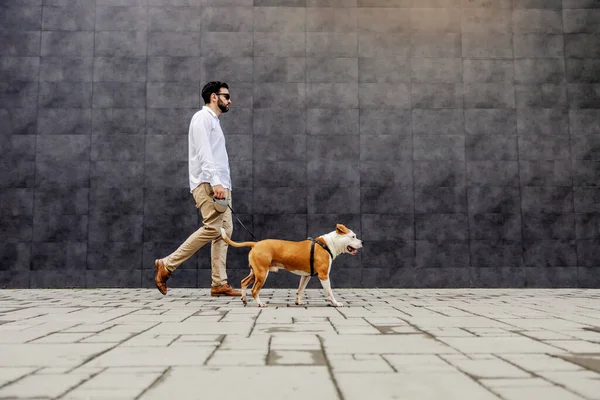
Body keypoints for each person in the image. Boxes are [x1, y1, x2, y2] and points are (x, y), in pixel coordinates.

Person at [154, 81, 241, 297]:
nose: (230, 100)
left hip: (219, 185)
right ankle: (167, 264)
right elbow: (204, 153)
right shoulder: (202, 118)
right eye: (226, 96)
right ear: (214, 97)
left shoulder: (213, 121)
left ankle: (219, 283)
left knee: (224, 232)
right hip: (211, 184)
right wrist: (214, 183)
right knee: (213, 228)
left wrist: (222, 184)